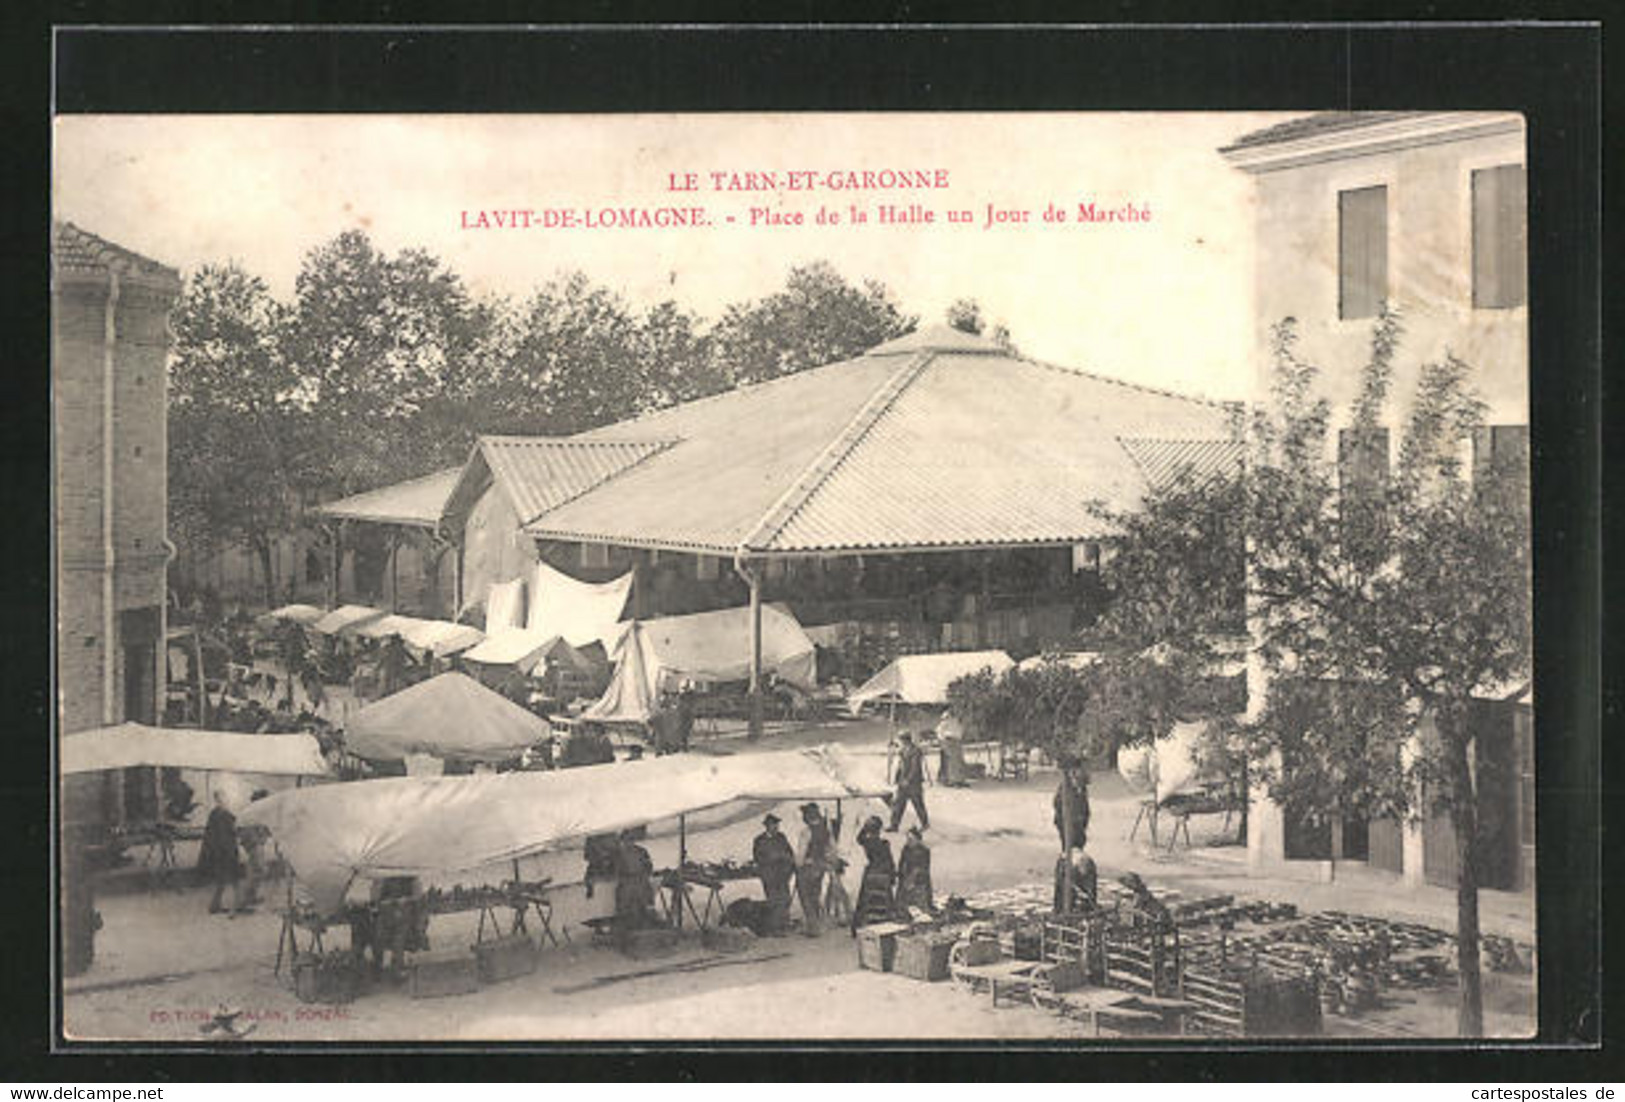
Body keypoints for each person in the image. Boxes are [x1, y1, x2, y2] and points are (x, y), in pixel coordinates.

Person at [197, 791, 243, 916]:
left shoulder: (215, 814)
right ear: (219, 800)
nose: (226, 800)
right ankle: (235, 908)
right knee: (234, 881)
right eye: (224, 798)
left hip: (219, 852)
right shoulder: (224, 814)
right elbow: (231, 831)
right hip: (226, 851)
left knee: (222, 880)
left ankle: (214, 905)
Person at [752, 813, 797, 936]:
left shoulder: (782, 837)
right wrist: (772, 858)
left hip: (783, 875)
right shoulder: (759, 840)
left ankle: (784, 924)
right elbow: (757, 859)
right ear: (767, 826)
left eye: (777, 824)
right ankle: (774, 928)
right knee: (773, 901)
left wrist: (789, 862)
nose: (776, 827)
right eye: (773, 825)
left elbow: (790, 853)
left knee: (785, 899)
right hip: (769, 875)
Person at [850, 815, 896, 934]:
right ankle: (886, 927)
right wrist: (893, 876)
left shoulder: (867, 842)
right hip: (882, 873)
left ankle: (858, 927)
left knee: (865, 901)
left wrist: (864, 827)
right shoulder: (884, 844)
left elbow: (858, 838)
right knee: (886, 902)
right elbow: (889, 861)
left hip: (871, 872)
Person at [612, 828, 657, 947]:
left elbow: (649, 867)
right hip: (627, 883)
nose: (628, 843)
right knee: (625, 909)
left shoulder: (642, 851)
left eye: (630, 840)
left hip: (640, 882)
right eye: (626, 840)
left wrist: (644, 876)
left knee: (644, 907)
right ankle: (627, 938)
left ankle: (645, 936)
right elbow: (616, 871)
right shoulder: (618, 854)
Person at [793, 803, 832, 937]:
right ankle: (816, 925)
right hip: (820, 866)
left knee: (805, 896)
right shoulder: (825, 830)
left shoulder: (806, 832)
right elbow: (829, 849)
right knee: (815, 895)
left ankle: (812, 927)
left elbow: (801, 854)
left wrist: (798, 864)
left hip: (808, 867)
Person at [887, 731, 929, 832]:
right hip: (902, 781)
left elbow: (915, 768)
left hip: (913, 783)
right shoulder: (904, 749)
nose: (900, 743)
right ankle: (894, 825)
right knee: (898, 804)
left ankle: (925, 824)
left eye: (900, 741)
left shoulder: (915, 751)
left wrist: (908, 780)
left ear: (905, 740)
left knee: (918, 804)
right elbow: (900, 761)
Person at [896, 825, 934, 914]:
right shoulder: (906, 849)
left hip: (919, 882)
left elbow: (923, 868)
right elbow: (901, 863)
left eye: (911, 839)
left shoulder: (924, 850)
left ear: (917, 839)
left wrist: (911, 879)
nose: (908, 841)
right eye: (907, 839)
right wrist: (900, 874)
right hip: (906, 880)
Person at [1053, 764, 1091, 851]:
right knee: (1068, 846)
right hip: (1065, 822)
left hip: (1079, 823)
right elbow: (1056, 803)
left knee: (1079, 843)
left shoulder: (1082, 789)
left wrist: (1083, 819)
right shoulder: (1065, 788)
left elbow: (1085, 806)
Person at [1053, 847, 1098, 914]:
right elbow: (1092, 890)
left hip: (1070, 906)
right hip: (1086, 906)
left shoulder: (1063, 859)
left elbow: (1058, 890)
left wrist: (1057, 910)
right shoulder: (1088, 858)